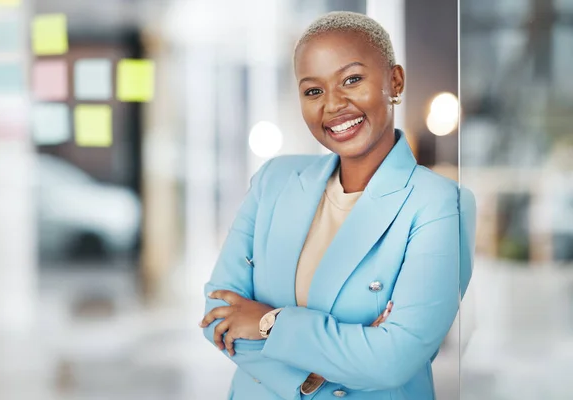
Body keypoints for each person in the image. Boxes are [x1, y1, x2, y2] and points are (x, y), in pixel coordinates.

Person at [200, 11, 476, 400]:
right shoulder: (273, 181)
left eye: (352, 80)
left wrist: (268, 322)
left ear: (394, 81)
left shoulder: (439, 204)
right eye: (313, 91)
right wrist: (341, 357)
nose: (333, 105)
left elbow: (393, 360)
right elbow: (219, 316)